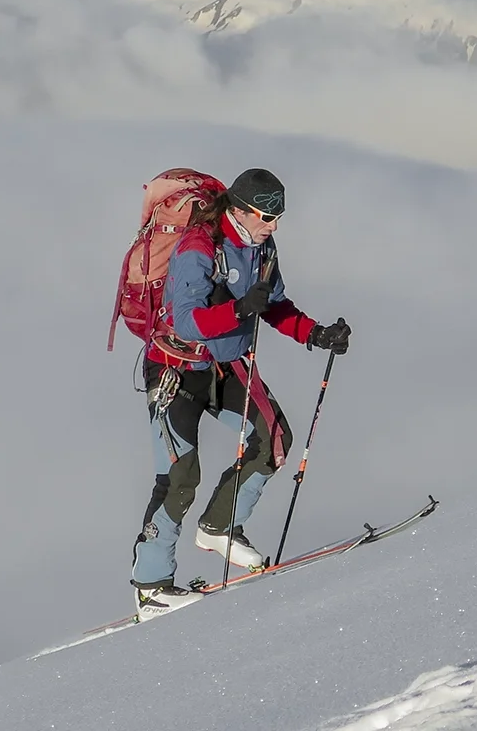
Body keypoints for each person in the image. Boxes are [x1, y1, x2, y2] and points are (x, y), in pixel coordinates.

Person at [130, 167, 351, 619]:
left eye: (279, 217)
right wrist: (239, 309)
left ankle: (220, 527)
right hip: (176, 369)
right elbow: (188, 320)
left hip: (227, 367)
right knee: (179, 476)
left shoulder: (261, 247)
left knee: (272, 441)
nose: (274, 226)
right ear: (240, 209)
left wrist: (316, 334)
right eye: (267, 217)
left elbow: (274, 304)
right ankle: (151, 586)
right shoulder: (199, 247)